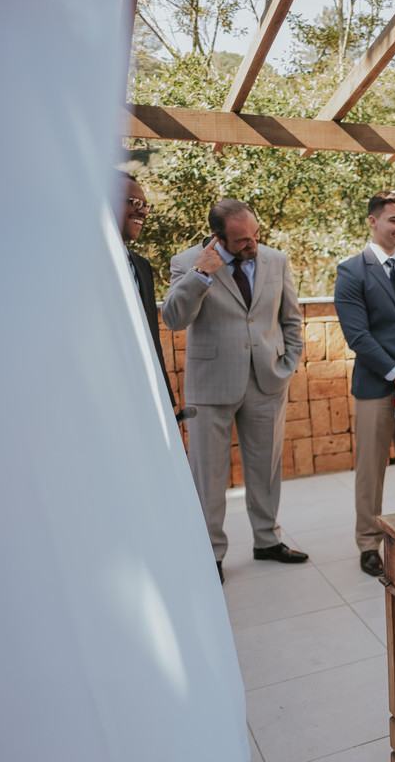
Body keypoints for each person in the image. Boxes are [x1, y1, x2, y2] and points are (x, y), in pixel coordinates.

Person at [162, 199, 307, 583]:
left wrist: (288, 363)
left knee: (266, 468)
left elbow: (291, 318)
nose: (252, 244)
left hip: (267, 380)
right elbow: (175, 319)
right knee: (208, 475)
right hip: (211, 385)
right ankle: (210, 553)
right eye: (242, 240)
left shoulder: (276, 260)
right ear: (218, 236)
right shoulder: (187, 261)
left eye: (255, 235)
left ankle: (267, 540)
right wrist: (200, 274)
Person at [334, 191, 395, 577]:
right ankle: (368, 543)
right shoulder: (351, 271)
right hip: (376, 387)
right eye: (394, 220)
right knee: (371, 468)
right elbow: (357, 336)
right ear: (373, 222)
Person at [115, 171, 175, 408]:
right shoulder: (79, 263)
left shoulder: (142, 266)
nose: (143, 211)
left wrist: (165, 398)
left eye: (145, 205)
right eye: (134, 202)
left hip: (144, 396)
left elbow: (152, 339)